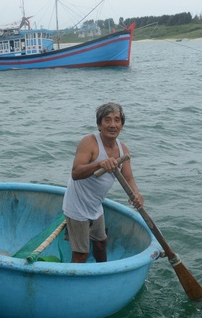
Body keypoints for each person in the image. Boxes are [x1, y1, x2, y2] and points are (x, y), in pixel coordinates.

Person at [62, 102, 144, 263]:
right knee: (81, 254)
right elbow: (76, 173)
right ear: (99, 125)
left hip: (95, 207)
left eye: (117, 120)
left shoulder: (123, 149)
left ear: (122, 125)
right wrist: (99, 164)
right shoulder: (89, 142)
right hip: (77, 207)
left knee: (101, 243)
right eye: (107, 120)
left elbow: (128, 178)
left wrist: (136, 194)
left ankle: (103, 272)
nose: (112, 125)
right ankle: (73, 285)